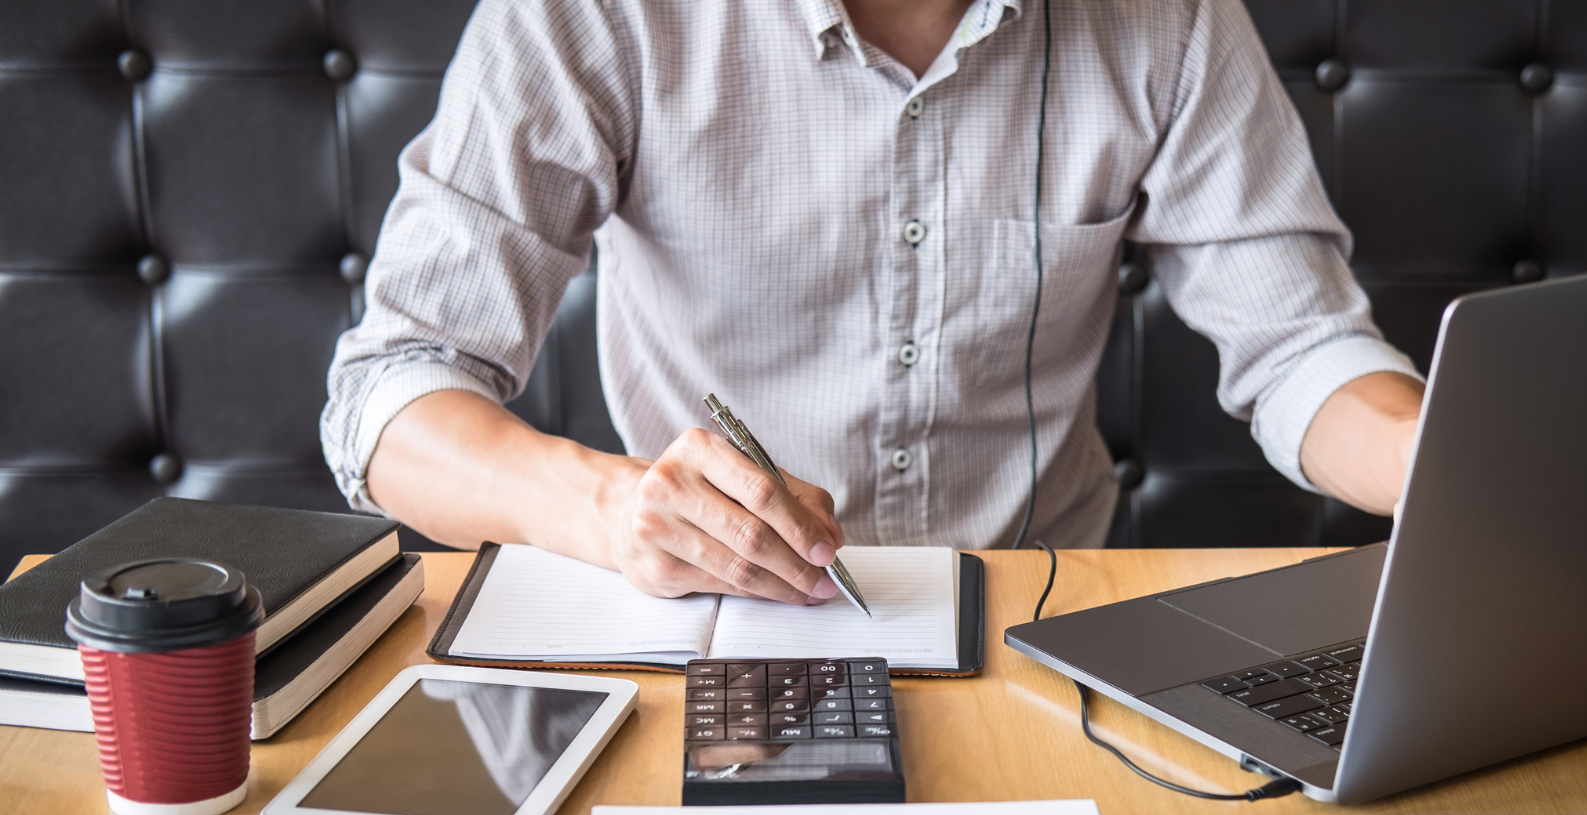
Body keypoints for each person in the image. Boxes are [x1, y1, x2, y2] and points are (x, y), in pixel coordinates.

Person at [321, 0, 1425, 607]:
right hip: (706, 618)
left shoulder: (1171, 18)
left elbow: (1299, 349)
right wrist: (612, 511)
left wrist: (1450, 459)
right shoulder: (591, 14)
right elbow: (390, 397)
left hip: (1039, 613)